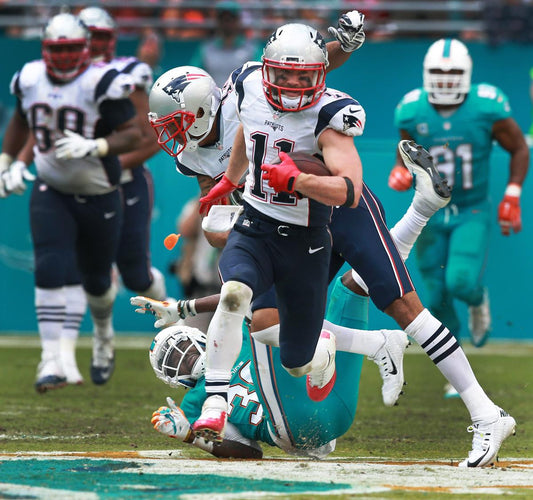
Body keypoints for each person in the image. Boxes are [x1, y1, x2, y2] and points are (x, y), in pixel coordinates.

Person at [194, 26, 517, 467]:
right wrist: (230, 182)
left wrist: (298, 180)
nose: (291, 87)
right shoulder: (247, 85)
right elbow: (246, 134)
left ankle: (486, 413)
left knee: (402, 303)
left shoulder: (332, 113)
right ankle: (368, 344)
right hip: (279, 225)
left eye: (302, 78)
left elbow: (348, 187)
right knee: (268, 323)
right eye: (283, 77)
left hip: (339, 210)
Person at [0, 12, 141, 392]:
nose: (62, 57)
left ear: (85, 49)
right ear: (45, 49)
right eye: (56, 49)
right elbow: (21, 121)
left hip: (100, 193)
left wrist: (98, 144)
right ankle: (51, 359)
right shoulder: (29, 78)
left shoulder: (101, 82)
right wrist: (8, 161)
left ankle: (102, 334)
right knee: (49, 265)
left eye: (70, 49)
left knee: (96, 282)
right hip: (51, 188)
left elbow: (133, 134)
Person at [388, 39, 529, 365]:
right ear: (427, 73)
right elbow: (405, 147)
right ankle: (454, 360)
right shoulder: (412, 109)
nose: (446, 79)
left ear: (466, 74)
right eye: (438, 71)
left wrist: (513, 194)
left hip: (471, 209)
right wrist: (399, 169)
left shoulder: (486, 106)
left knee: (461, 281)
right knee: (435, 294)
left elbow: (519, 147)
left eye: (453, 72)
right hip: (429, 212)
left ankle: (478, 300)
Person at [78, 6, 168, 306]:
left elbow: (151, 136)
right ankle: (102, 342)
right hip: (77, 184)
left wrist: (104, 163)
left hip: (124, 180)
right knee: (91, 272)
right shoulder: (55, 77)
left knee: (135, 275)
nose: (95, 43)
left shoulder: (129, 73)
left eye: (101, 36)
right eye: (89, 36)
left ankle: (168, 315)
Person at [189, 0, 262, 87]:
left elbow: (260, 77)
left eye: (231, 18)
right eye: (223, 18)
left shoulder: (252, 49)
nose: (227, 22)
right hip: (213, 99)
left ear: (238, 20)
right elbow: (192, 76)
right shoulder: (205, 49)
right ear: (217, 21)